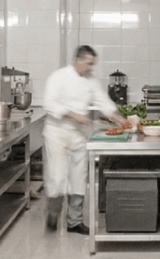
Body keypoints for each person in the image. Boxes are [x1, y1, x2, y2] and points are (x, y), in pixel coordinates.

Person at [42, 45, 123, 235]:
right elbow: (49, 103)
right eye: (88, 64)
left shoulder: (91, 81)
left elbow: (103, 101)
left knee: (78, 178)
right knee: (57, 177)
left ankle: (74, 222)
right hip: (57, 133)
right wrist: (73, 114)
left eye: (93, 64)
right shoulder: (58, 77)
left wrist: (119, 118)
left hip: (78, 135)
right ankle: (53, 214)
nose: (91, 68)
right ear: (77, 60)